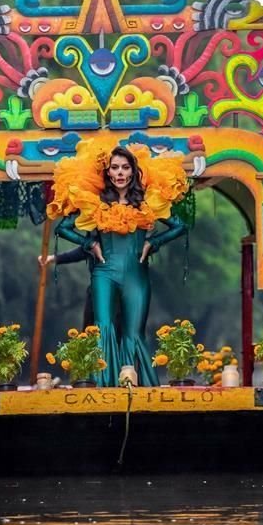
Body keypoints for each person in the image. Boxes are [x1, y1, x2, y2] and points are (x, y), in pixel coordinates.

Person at [52, 145, 187, 386]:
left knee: (133, 334)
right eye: (115, 168)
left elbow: (179, 226)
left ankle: (139, 388)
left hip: (137, 275)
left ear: (133, 172)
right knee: (103, 329)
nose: (120, 173)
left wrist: (153, 243)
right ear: (108, 173)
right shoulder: (95, 203)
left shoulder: (146, 203)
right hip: (104, 274)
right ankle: (102, 387)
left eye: (125, 167)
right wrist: (89, 244)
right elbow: (62, 228)